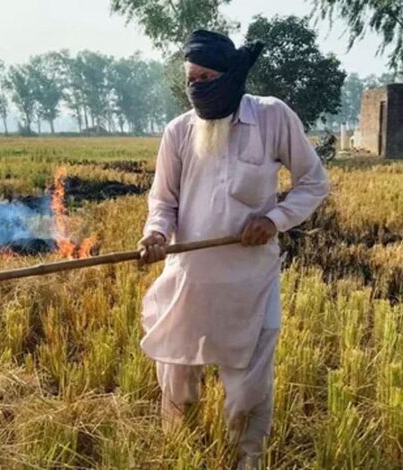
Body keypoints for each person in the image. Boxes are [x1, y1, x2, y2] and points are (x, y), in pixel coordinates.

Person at [137, 30, 330, 469]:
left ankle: (246, 461)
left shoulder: (272, 116)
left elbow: (314, 182)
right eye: (191, 79)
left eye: (206, 78)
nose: (197, 87)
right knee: (177, 382)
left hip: (250, 284)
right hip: (190, 281)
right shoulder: (179, 131)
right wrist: (157, 234)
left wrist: (274, 220)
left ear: (230, 77)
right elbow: (163, 202)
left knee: (247, 392)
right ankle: (180, 457)